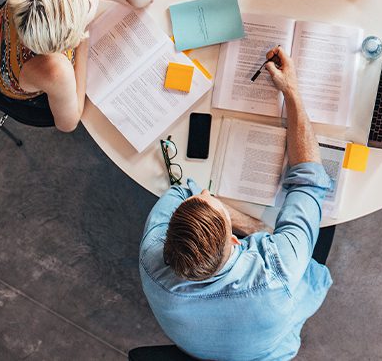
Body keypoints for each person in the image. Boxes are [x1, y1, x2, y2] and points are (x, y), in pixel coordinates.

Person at [139, 47, 333, 361]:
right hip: (268, 353)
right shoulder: (279, 269)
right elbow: (309, 180)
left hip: (198, 347)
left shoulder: (152, 260)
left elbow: (180, 193)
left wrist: (221, 211)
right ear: (234, 239)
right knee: (325, 225)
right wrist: (291, 92)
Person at [0, 0, 174, 132]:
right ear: (70, 39)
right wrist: (84, 39)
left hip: (7, 30)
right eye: (85, 5)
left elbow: (144, 1)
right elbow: (68, 124)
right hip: (9, 78)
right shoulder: (56, 69)